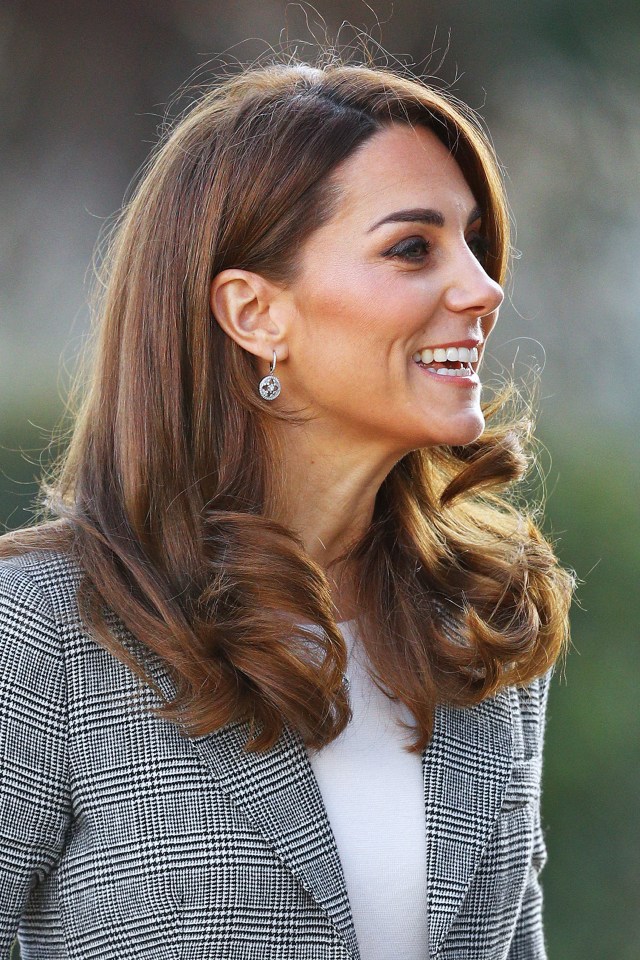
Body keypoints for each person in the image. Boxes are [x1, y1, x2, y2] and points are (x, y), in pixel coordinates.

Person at [0, 53, 573, 959]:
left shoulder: (481, 623)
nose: (483, 288)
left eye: (474, 243)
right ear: (255, 313)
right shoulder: (48, 629)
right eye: (413, 248)